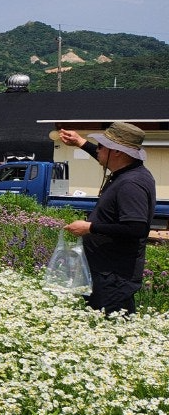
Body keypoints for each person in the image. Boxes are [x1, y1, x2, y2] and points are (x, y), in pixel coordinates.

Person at [58, 122, 156, 314]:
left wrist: (90, 228)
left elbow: (137, 229)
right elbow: (103, 155)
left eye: (101, 146)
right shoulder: (126, 171)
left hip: (114, 277)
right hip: (105, 272)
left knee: (111, 328)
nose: (98, 150)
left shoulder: (131, 184)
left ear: (117, 152)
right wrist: (80, 142)